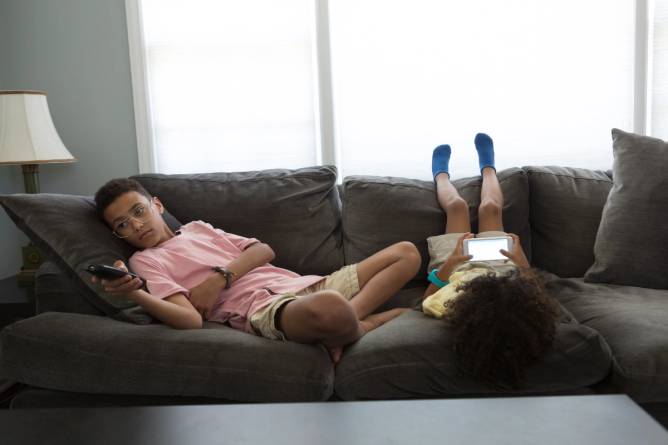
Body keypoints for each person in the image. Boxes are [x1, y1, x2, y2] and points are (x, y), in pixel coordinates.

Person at [91, 179, 420, 364]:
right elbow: (190, 319)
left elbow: (264, 251)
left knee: (406, 252)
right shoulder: (145, 261)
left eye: (138, 211)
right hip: (264, 308)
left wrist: (219, 278)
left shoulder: (197, 229)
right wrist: (135, 292)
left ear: (156, 205)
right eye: (122, 224)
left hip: (303, 284)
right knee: (331, 305)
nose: (135, 224)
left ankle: (350, 328)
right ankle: (355, 323)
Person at [422, 133, 560, 388]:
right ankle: (488, 167)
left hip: (455, 265)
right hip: (502, 267)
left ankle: (440, 173)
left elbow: (428, 294)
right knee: (491, 209)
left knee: (457, 206)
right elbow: (537, 291)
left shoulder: (449, 306)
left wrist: (451, 262)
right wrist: (521, 262)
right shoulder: (524, 309)